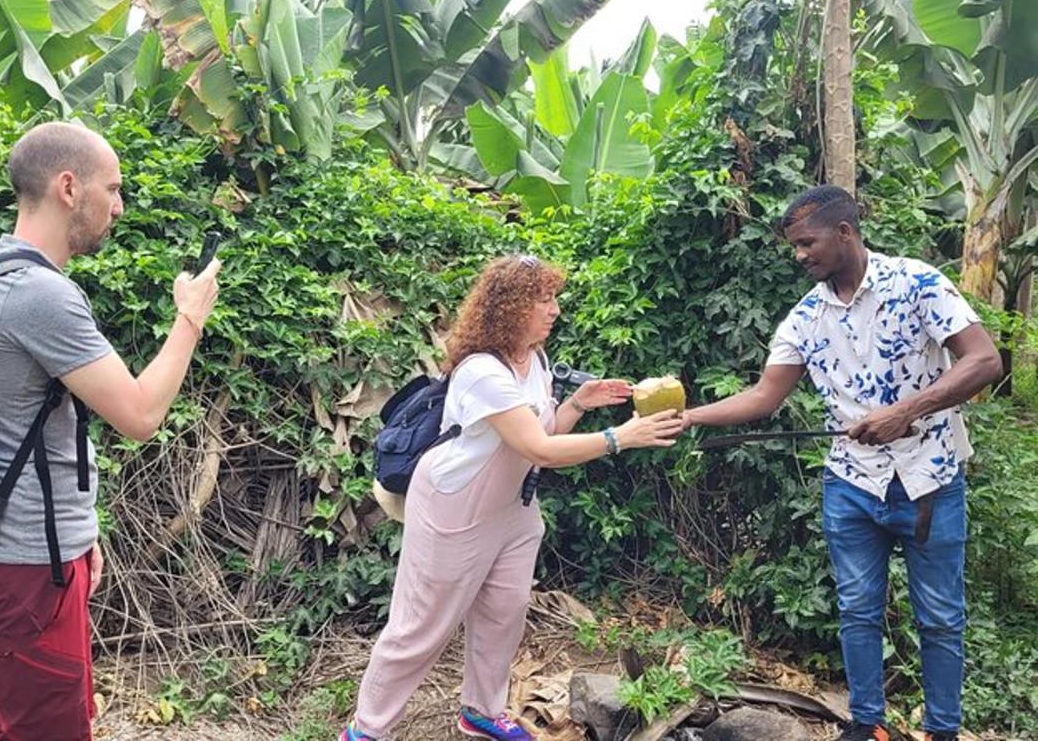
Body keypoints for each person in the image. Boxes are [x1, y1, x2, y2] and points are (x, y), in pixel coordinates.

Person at [682, 186, 1002, 741]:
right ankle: (867, 725)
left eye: (807, 243)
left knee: (941, 618)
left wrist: (908, 411)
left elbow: (985, 360)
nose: (799, 255)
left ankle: (943, 731)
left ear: (845, 233)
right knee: (856, 610)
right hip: (851, 486)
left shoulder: (918, 282)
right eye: (795, 247)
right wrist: (688, 417)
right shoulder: (804, 319)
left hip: (929, 478)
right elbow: (763, 397)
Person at [340, 254, 684, 741]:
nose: (555, 309)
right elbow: (538, 446)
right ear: (511, 307)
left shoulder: (535, 361)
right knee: (419, 629)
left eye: (554, 298)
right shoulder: (483, 371)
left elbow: (542, 435)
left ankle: (481, 711)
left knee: (504, 613)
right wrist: (621, 437)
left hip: (514, 510)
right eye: (544, 300)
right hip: (454, 508)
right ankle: (367, 730)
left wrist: (576, 404)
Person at [0, 121, 221, 740]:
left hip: (41, 552)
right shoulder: (37, 294)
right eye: (114, 188)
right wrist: (189, 319)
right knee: (42, 731)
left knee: (56, 719)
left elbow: (32, 428)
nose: (121, 205)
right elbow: (139, 416)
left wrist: (81, 534)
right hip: (30, 565)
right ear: (69, 187)